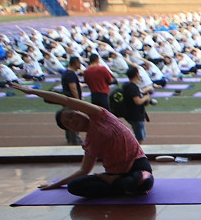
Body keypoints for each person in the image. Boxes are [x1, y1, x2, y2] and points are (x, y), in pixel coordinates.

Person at [9, 85, 153, 198]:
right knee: (74, 186)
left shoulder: (101, 115)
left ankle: (119, 185)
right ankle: (122, 186)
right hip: (114, 172)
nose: (73, 121)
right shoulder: (89, 142)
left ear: (79, 111)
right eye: (68, 123)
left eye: (72, 115)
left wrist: (34, 92)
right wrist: (56, 184)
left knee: (144, 181)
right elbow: (84, 170)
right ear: (70, 129)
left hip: (136, 164)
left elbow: (66, 100)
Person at [123, 65, 155, 144]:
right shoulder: (132, 87)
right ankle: (138, 153)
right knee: (139, 137)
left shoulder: (127, 85)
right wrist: (146, 97)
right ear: (137, 74)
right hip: (135, 115)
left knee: (140, 135)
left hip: (132, 113)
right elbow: (138, 101)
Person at [61, 56, 83, 145]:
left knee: (68, 118)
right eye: (79, 63)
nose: (80, 65)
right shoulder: (70, 74)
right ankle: (74, 139)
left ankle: (70, 138)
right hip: (71, 100)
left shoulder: (67, 72)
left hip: (67, 100)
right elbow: (73, 88)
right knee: (73, 119)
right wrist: (78, 101)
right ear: (76, 63)